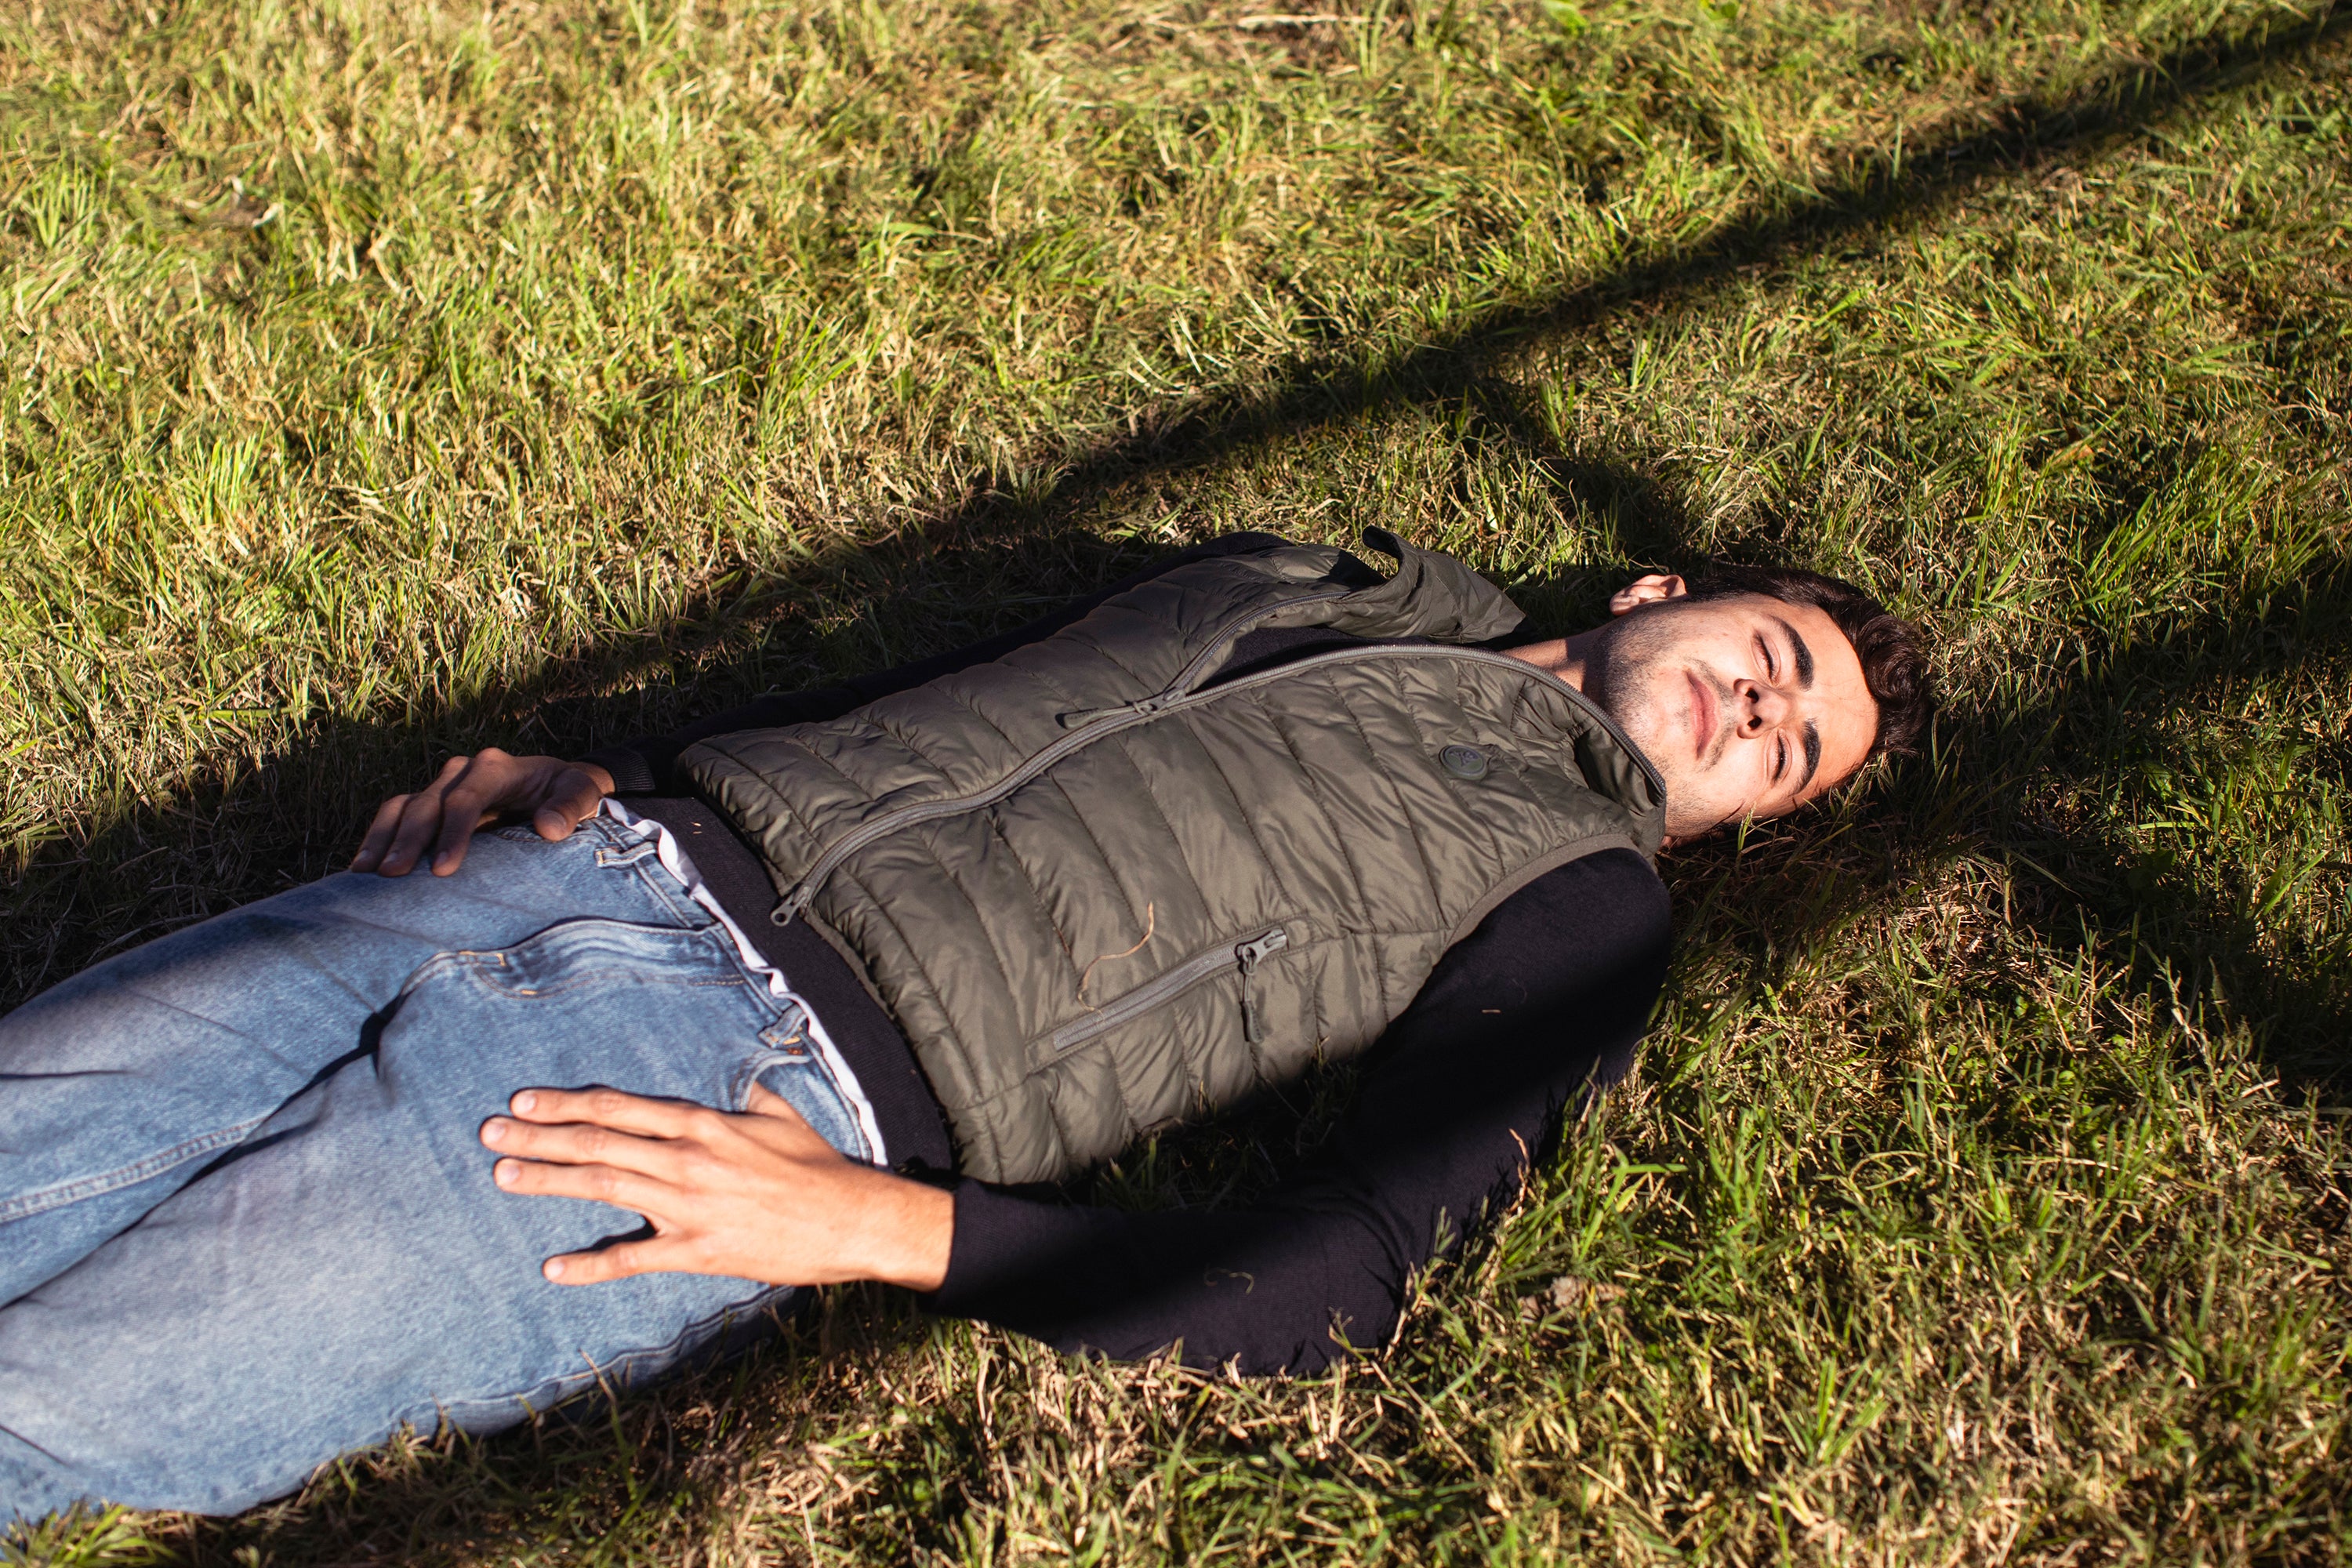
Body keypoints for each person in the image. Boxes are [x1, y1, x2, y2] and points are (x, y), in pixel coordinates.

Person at [0, 528, 1930, 1522]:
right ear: (1663, 593)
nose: (1760, 723)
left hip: (715, 1101)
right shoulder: (1309, 575)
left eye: (1794, 758)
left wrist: (869, 1229)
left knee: (43, 1405)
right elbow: (945, 686)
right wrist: (613, 765)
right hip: (589, 869)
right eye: (1774, 663)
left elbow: (1342, 1277)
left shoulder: (1587, 905)